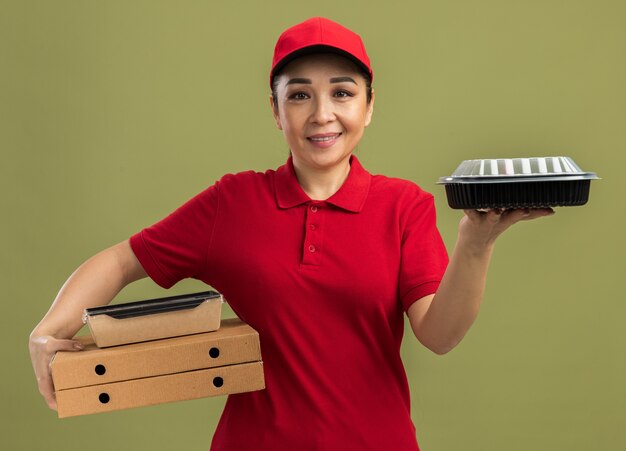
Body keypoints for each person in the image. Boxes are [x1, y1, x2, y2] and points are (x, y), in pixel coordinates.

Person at [29, 17, 554, 451]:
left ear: (369, 106)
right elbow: (122, 261)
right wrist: (48, 331)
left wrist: (476, 242)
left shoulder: (404, 206)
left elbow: (439, 336)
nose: (322, 114)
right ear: (276, 110)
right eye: (299, 95)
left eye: (342, 93)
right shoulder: (232, 203)